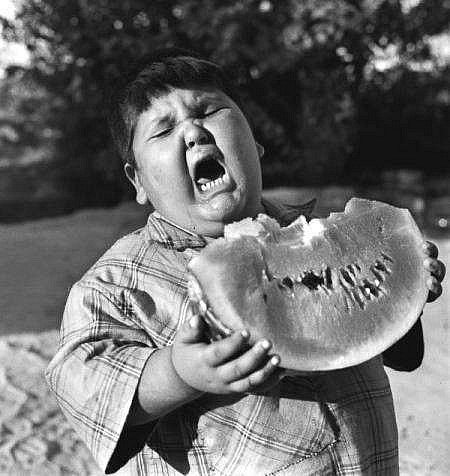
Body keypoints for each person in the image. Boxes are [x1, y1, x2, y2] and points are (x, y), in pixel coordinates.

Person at [46, 48, 445, 475]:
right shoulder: (116, 287)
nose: (193, 131)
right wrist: (179, 373)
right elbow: (90, 388)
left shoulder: (318, 236)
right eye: (163, 129)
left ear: (254, 144)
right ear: (138, 180)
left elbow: (386, 345)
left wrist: (396, 285)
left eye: (209, 111)